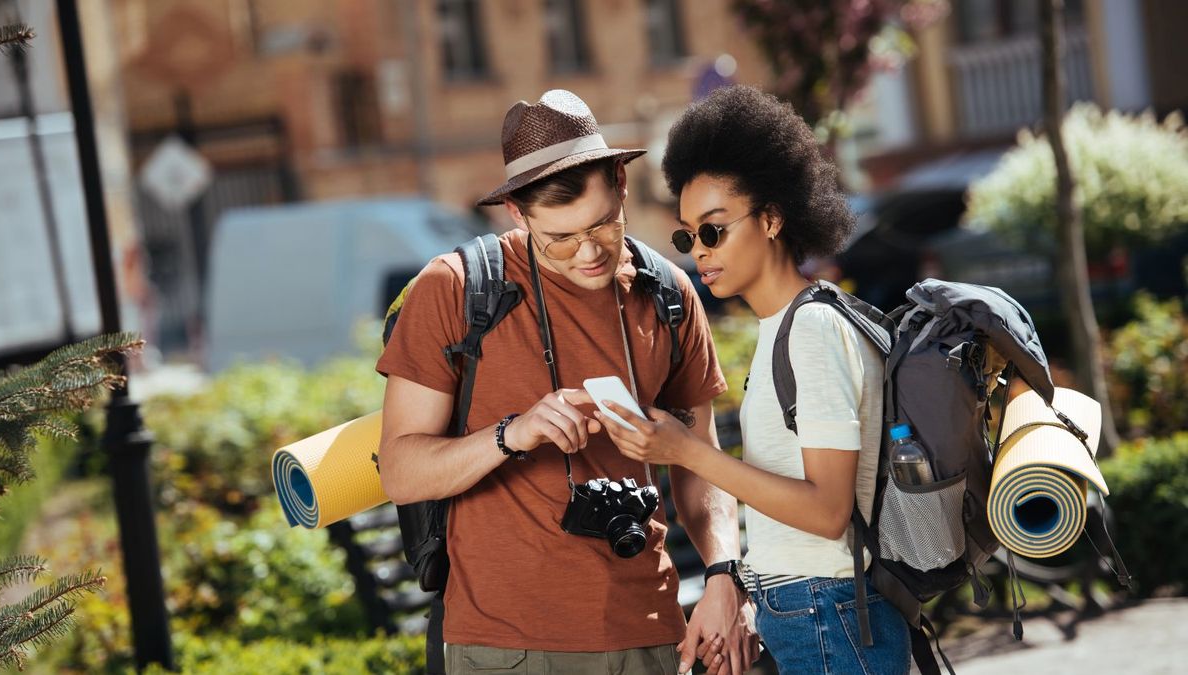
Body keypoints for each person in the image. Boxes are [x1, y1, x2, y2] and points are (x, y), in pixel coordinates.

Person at [376, 89, 758, 675]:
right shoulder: (454, 290)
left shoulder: (670, 295)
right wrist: (514, 434)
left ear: (621, 184)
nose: (588, 253)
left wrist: (723, 576)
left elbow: (701, 464)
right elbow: (402, 472)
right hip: (506, 646)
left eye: (603, 225)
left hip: (650, 635)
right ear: (517, 215)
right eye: (560, 238)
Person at [594, 84, 912, 675]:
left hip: (830, 615)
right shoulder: (784, 326)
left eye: (714, 229)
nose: (699, 252)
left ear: (770, 218)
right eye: (688, 236)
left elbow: (827, 511)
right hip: (808, 614)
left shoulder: (813, 330)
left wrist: (686, 452)